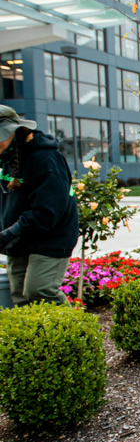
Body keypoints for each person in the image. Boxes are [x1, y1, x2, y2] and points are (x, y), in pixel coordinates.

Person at [0, 105, 79, 305]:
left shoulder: (46, 158)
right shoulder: (6, 157)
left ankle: (77, 325)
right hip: (20, 236)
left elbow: (48, 210)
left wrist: (9, 233)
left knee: (40, 290)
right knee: (20, 295)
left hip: (51, 234)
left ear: (14, 132)